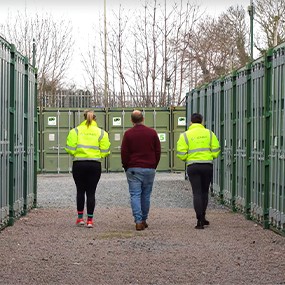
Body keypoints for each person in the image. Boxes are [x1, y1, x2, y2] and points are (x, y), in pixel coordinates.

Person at [65, 110, 111, 228]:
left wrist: (78, 153)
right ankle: (90, 220)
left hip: (79, 164)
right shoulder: (102, 133)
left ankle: (80, 218)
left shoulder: (75, 131)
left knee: (80, 191)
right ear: (95, 119)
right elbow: (106, 151)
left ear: (84, 118)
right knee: (91, 192)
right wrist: (97, 155)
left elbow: (69, 148)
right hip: (94, 164)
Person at [176, 113, 220, 229]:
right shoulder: (209, 134)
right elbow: (216, 149)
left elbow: (180, 153)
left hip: (193, 166)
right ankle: (204, 216)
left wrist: (188, 158)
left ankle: (199, 220)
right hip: (207, 165)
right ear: (202, 121)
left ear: (191, 122)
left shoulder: (185, 135)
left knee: (197, 192)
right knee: (205, 192)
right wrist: (210, 156)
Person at [121, 110, 161, 231]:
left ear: (131, 120)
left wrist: (126, 166)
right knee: (146, 195)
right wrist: (154, 165)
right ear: (143, 119)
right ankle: (144, 219)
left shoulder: (128, 134)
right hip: (149, 168)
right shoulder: (152, 133)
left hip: (133, 168)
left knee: (135, 194)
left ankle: (138, 221)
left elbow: (124, 152)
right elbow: (158, 151)